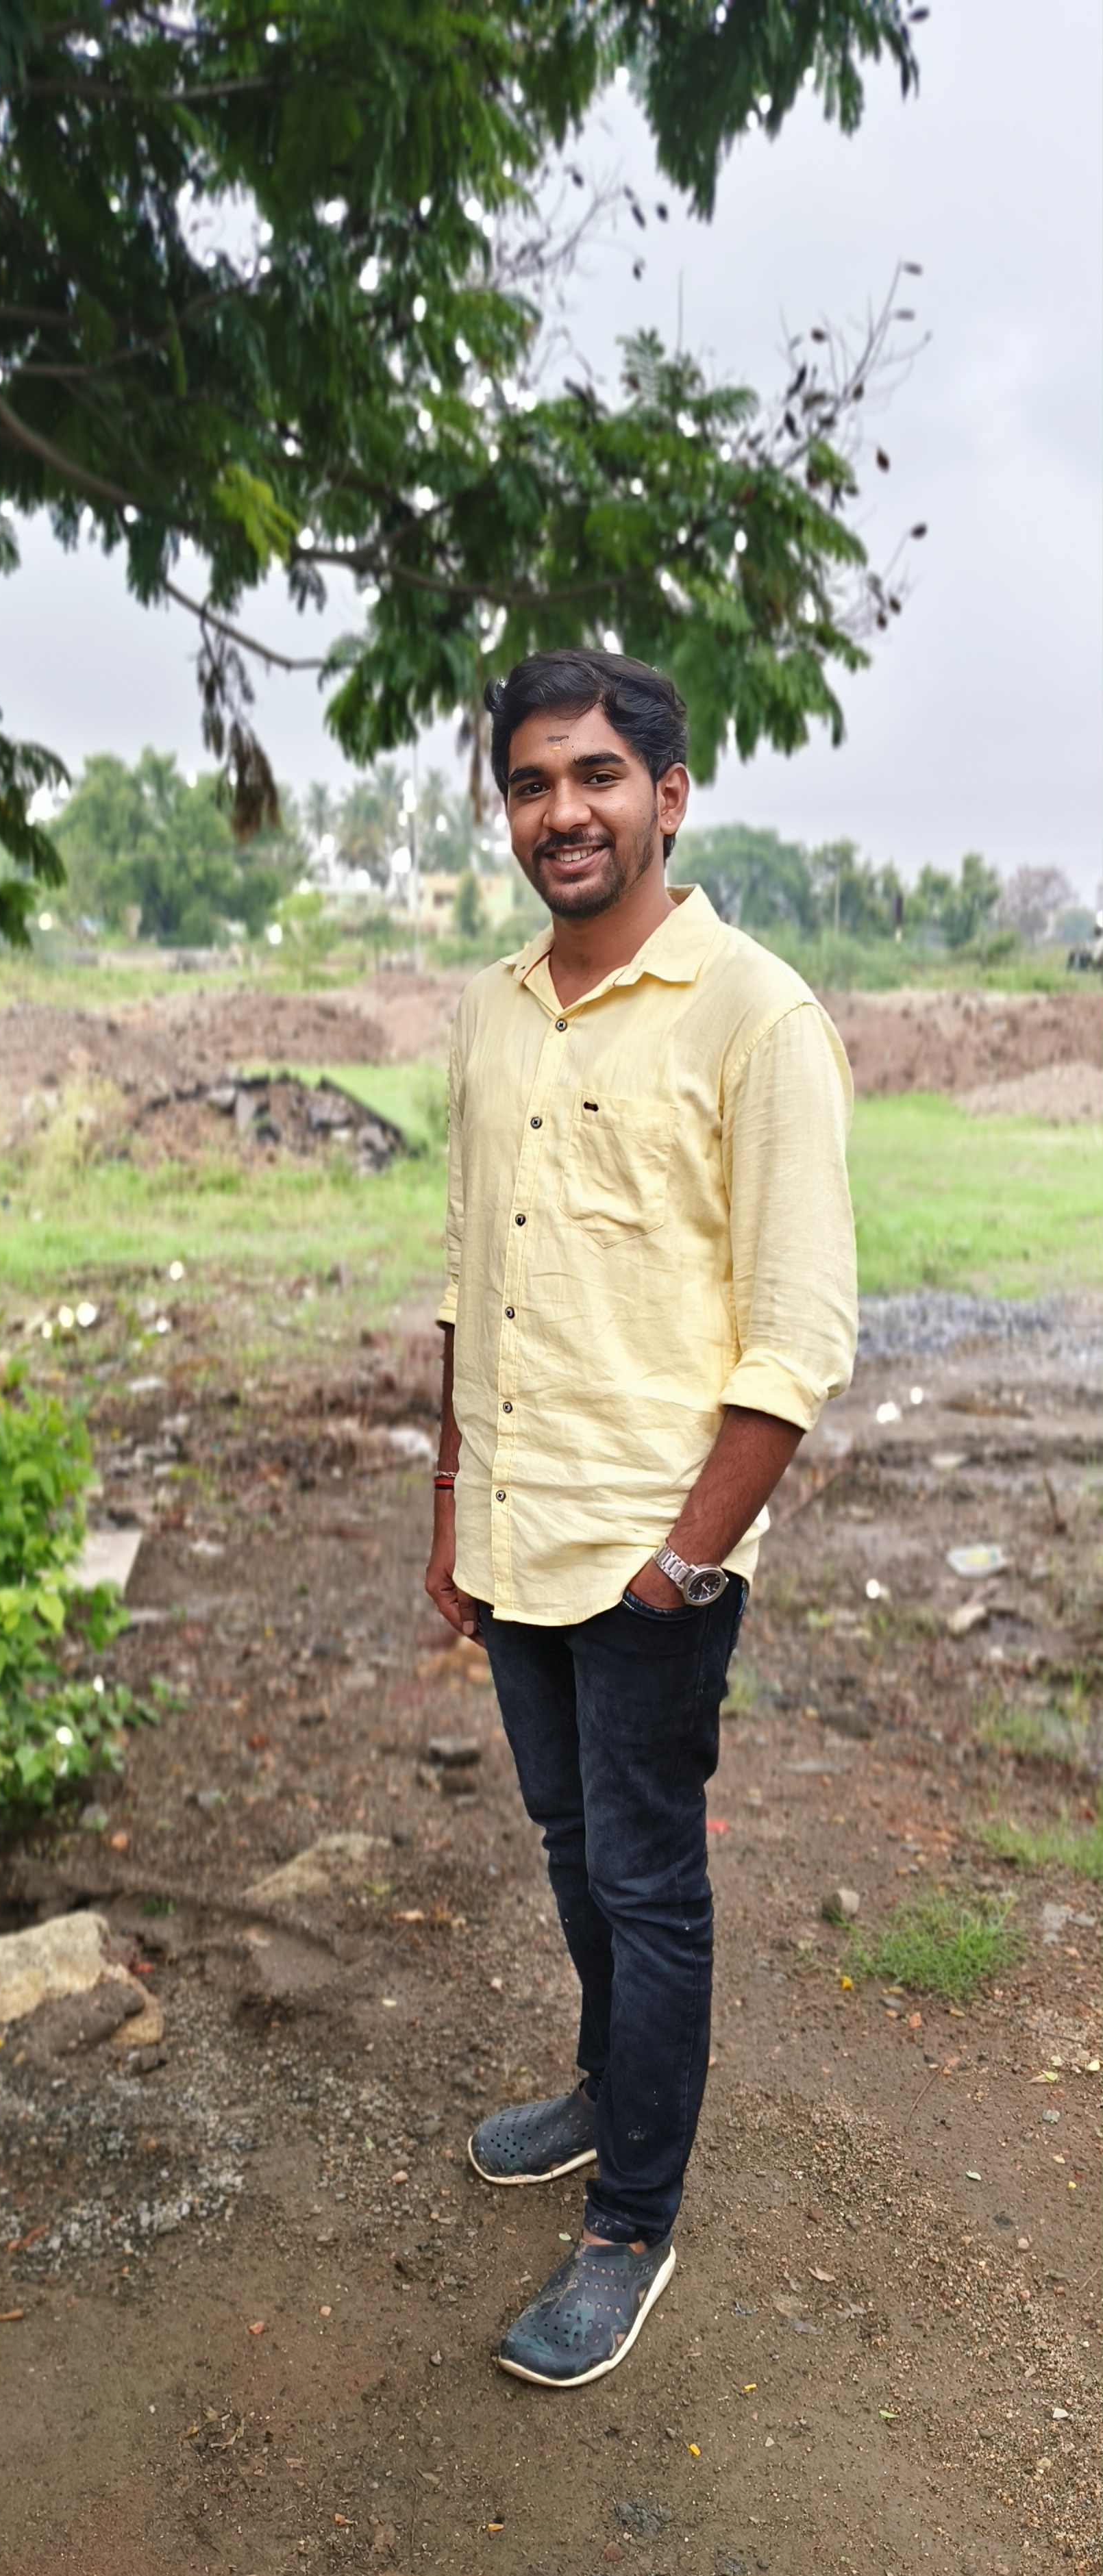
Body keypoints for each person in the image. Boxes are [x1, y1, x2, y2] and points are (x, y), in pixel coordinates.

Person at [425, 648, 857, 2389]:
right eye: (530, 782)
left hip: (647, 1554)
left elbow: (796, 1334)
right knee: (565, 1839)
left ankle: (630, 2223)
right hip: (513, 1525)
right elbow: (467, 1274)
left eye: (595, 775)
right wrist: (448, 1508)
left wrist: (683, 1562)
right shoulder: (492, 1009)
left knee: (645, 1875)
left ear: (666, 796)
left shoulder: (755, 1015)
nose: (562, 811)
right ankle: (609, 2087)